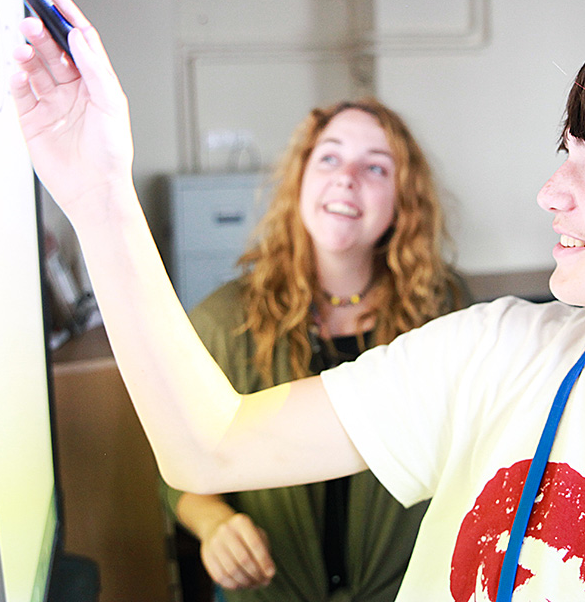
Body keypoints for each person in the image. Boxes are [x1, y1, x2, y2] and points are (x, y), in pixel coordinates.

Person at [11, 4, 585, 600]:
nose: (551, 191)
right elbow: (208, 444)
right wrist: (97, 190)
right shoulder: (497, 352)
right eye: (567, 151)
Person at [165, 100, 468, 600]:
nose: (346, 178)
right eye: (329, 158)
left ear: (404, 198)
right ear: (300, 179)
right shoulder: (223, 322)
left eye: (375, 167)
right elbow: (178, 467)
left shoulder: (448, 315)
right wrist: (214, 522)